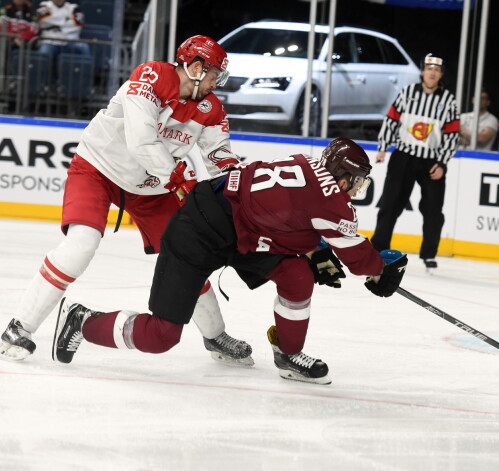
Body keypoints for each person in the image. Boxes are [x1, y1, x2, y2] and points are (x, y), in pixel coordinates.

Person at [51, 138, 409, 385]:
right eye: (357, 181)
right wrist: (381, 271)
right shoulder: (333, 200)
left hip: (239, 231)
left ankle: (288, 355)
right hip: (199, 231)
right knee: (161, 336)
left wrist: (316, 251)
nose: (357, 188)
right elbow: (360, 259)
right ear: (343, 175)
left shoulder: (306, 164)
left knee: (298, 275)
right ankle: (82, 321)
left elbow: (287, 213)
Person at [0, 35, 254, 366]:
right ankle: (19, 327)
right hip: (98, 169)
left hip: (151, 188)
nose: (215, 81)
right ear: (194, 67)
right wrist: (177, 177)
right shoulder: (151, 76)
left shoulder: (211, 109)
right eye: (212, 74)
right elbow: (141, 139)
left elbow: (219, 156)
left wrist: (239, 185)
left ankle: (215, 335)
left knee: (189, 257)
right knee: (81, 245)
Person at [371, 53, 459, 270]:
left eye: (437, 70)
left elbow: (452, 134)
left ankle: (429, 254)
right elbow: (392, 120)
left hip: (431, 161)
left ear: (441, 75)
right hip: (403, 157)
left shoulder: (448, 100)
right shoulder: (407, 93)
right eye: (429, 68)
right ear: (422, 72)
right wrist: (383, 147)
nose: (432, 73)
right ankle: (378, 249)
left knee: (433, 209)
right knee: (390, 204)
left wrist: (443, 163)